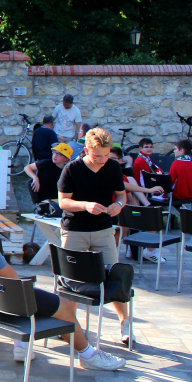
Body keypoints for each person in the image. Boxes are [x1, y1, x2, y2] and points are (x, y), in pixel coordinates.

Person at [0, 179, 125, 369]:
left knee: (37, 300)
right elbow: (10, 278)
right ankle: (88, 355)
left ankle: (23, 343)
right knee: (62, 305)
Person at [57, 127, 136, 346]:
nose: (102, 160)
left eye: (106, 155)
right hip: (75, 229)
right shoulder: (72, 169)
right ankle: (67, 325)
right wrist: (85, 205)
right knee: (70, 280)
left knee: (115, 278)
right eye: (97, 156)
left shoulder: (112, 167)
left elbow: (121, 195)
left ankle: (125, 323)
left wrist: (119, 205)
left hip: (103, 230)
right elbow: (63, 202)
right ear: (86, 150)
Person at [168, 140, 192, 207]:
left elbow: (171, 181)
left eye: (175, 149)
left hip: (178, 194)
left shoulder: (176, 163)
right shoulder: (191, 163)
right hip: (190, 194)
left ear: (182, 151)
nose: (174, 151)